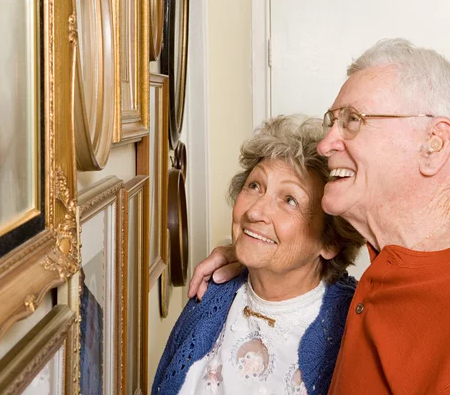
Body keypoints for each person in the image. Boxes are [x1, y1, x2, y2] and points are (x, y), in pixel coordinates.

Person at [188, 39, 450, 394]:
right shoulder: (398, 260)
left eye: (353, 121)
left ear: (434, 143)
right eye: (333, 121)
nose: (326, 143)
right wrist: (254, 255)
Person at [153, 115, 364, 395]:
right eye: (254, 186)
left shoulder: (353, 327)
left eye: (289, 200)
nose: (254, 212)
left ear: (330, 240)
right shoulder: (210, 296)